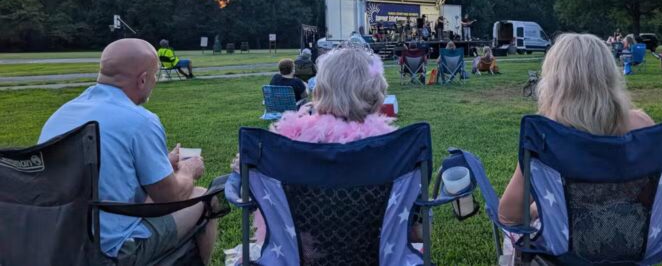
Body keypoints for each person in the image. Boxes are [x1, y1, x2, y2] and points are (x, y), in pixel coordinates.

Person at [38, 39, 217, 265]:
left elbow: (105, 175)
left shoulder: (62, 114)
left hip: (61, 243)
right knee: (204, 197)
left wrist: (162, 163)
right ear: (143, 79)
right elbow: (169, 197)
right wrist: (189, 171)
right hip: (111, 250)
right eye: (155, 77)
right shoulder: (140, 120)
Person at [231, 47, 401, 255]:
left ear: (320, 88)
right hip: (377, 255)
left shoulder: (286, 146)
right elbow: (415, 231)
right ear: (377, 91)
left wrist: (247, 169)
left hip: (300, 255)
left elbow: (253, 200)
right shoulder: (395, 150)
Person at [498, 33, 653, 228]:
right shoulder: (642, 125)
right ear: (610, 76)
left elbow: (509, 215)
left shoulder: (546, 137)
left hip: (564, 250)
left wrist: (537, 208)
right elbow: (651, 199)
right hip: (631, 241)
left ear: (555, 83)